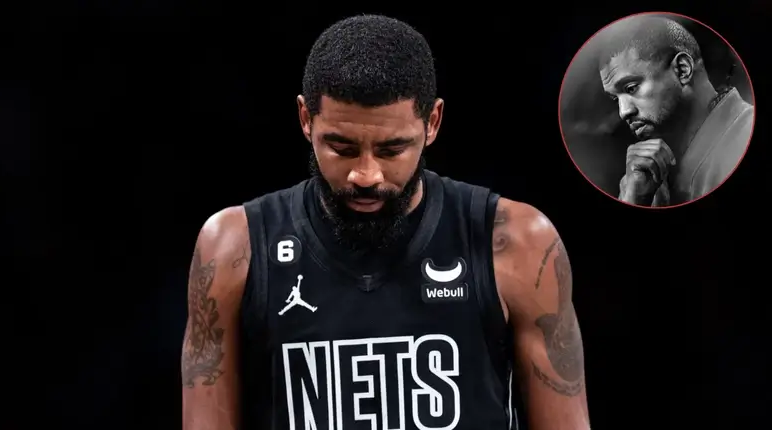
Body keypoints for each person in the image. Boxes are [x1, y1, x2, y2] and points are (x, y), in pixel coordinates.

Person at [181, 14, 590, 430]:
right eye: (341, 148)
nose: (366, 175)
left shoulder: (515, 241)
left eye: (392, 150)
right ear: (305, 118)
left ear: (432, 122)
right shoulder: (234, 247)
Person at [598, 14, 754, 207]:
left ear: (682, 69)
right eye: (615, 99)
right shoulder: (651, 175)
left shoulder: (745, 135)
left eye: (631, 88)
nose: (623, 112)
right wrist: (633, 200)